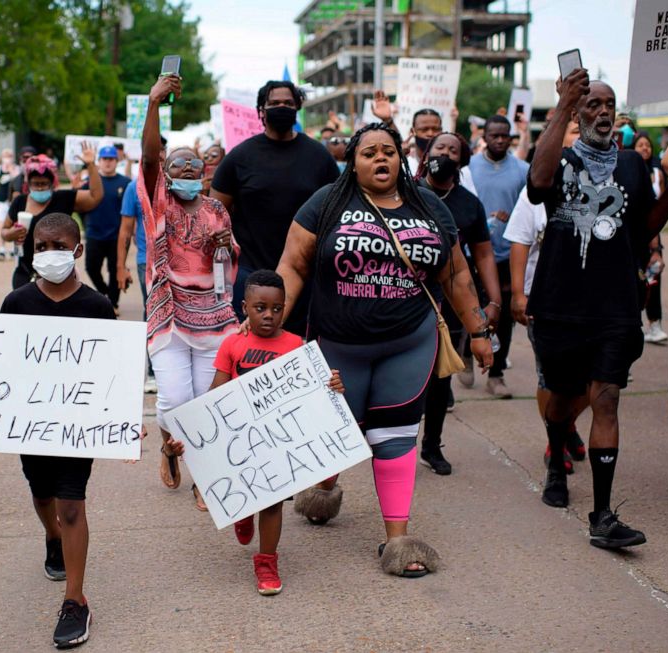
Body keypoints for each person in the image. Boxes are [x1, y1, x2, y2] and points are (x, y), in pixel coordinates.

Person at [277, 122, 493, 577]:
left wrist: (477, 331)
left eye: (389, 152)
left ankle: (397, 540)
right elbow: (293, 265)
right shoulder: (328, 202)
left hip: (408, 342)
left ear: (402, 159)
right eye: (370, 152)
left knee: (393, 435)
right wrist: (270, 319)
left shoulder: (429, 206)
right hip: (340, 346)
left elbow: (455, 274)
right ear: (353, 162)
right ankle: (324, 488)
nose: (381, 159)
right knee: (342, 432)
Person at [527, 71, 668, 548]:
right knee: (560, 399)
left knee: (607, 398)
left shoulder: (631, 166)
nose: (601, 112)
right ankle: (557, 458)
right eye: (591, 104)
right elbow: (538, 185)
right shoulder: (559, 155)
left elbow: (641, 229)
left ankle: (602, 515)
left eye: (608, 105)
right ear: (578, 112)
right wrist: (561, 106)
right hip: (560, 304)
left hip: (615, 305)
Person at [170, 269, 344, 596]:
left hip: (279, 440)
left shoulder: (296, 345)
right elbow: (214, 394)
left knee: (274, 501)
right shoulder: (232, 344)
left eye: (276, 309)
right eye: (260, 308)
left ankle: (266, 561)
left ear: (284, 307)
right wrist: (189, 431)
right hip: (242, 440)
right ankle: (243, 512)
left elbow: (317, 397)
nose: (268, 315)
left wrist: (334, 387)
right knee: (249, 492)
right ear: (245, 308)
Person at [0, 213, 115, 648]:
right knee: (42, 494)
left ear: (78, 251)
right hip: (32, 426)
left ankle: (75, 601)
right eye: (41, 247)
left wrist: (118, 422)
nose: (49, 254)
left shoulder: (97, 307)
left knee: (70, 505)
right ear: (30, 249)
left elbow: (110, 373)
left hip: (77, 429)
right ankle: (52, 538)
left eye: (59, 246)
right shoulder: (16, 303)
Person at [138, 74, 239, 505]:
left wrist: (223, 247)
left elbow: (231, 255)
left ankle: (204, 475)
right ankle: (169, 445)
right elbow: (146, 158)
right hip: (169, 312)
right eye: (176, 163)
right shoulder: (158, 199)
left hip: (214, 316)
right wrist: (154, 104)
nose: (185, 169)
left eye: (191, 164)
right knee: (175, 399)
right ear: (165, 172)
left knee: (206, 401)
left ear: (203, 170)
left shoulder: (216, 208)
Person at [210, 80, 339, 334]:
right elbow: (214, 214)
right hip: (249, 274)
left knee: (297, 347)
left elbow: (339, 210)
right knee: (250, 348)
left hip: (305, 277)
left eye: (288, 103)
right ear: (261, 110)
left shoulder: (319, 157)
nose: (282, 107)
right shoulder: (239, 157)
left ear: (298, 107)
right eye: (274, 103)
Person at [506, 120, 588, 475]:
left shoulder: (603, 184)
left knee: (592, 379)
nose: (579, 135)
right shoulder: (537, 189)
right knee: (550, 378)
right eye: (571, 130)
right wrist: (519, 294)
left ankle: (566, 422)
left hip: (593, 302)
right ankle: (555, 437)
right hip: (547, 301)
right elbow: (520, 242)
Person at [417, 132, 501, 475]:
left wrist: (492, 300)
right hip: (404, 297)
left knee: (441, 376)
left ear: (462, 160)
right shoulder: (404, 191)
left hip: (451, 301)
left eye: (454, 150)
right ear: (426, 155)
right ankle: (391, 445)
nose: (446, 154)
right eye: (440, 148)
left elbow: (482, 253)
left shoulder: (468, 203)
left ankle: (431, 445)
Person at [469, 114, 530, 399]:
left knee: (503, 314)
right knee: (470, 309)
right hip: (471, 253)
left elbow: (527, 208)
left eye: (505, 135)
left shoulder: (521, 169)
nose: (500, 140)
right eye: (494, 135)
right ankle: (464, 355)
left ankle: (496, 375)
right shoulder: (468, 168)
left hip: (506, 255)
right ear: (485, 135)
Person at [1, 147, 103, 289]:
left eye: (44, 184)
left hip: (61, 276)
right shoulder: (20, 202)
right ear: (28, 184)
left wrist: (91, 165)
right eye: (36, 184)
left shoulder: (64, 198)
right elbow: (4, 232)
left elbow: (95, 197)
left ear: (52, 184)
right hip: (26, 273)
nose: (40, 188)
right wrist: (12, 233)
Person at [117, 175, 156, 394]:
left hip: (179, 262)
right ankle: (153, 372)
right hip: (147, 262)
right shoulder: (134, 188)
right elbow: (125, 229)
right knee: (152, 313)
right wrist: (120, 267)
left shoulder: (177, 182)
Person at [81, 145, 130, 310]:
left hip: (117, 236)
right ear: (99, 161)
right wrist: (85, 224)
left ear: (117, 161)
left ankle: (113, 304)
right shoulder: (91, 182)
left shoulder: (126, 183)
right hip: (94, 233)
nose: (108, 163)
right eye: (105, 159)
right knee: (91, 268)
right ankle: (104, 294)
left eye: (111, 159)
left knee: (115, 269)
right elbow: (80, 205)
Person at [631, 132, 668, 345]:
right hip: (636, 235)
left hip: (654, 233)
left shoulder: (657, 171)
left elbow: (661, 203)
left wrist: (656, 247)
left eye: (647, 145)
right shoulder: (628, 171)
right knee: (636, 280)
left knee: (654, 278)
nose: (644, 148)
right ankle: (634, 323)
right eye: (640, 145)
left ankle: (655, 324)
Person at [0, 148, 19, 260]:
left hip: (12, 201)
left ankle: (13, 247)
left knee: (13, 223)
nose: (7, 158)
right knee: (2, 224)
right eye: (5, 155)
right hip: (1, 201)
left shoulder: (16, 169)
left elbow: (17, 181)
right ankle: (2, 247)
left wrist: (11, 170)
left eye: (9, 155)